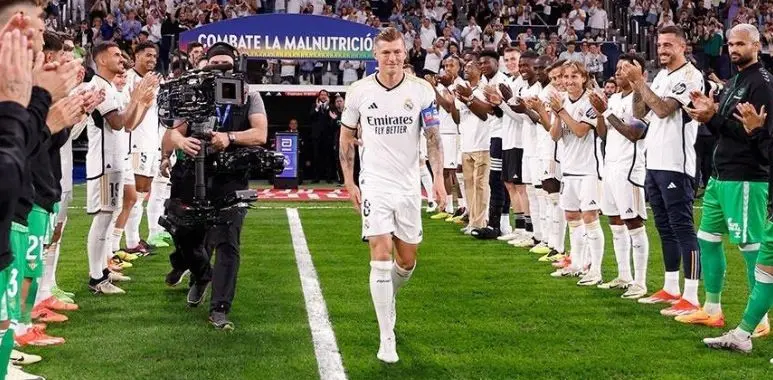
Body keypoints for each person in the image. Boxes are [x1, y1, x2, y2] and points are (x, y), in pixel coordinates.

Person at [338, 27, 446, 363]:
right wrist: (350, 181)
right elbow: (345, 139)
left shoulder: (422, 90)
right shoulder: (359, 92)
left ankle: (387, 296)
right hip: (376, 183)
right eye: (386, 53)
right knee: (380, 252)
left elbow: (433, 138)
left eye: (398, 52)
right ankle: (387, 336)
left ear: (405, 53)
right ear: (375, 56)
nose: (393, 58)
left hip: (409, 185)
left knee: (407, 260)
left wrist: (438, 180)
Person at [162, 42, 268, 330]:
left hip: (231, 177)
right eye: (215, 64)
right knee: (185, 234)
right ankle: (200, 273)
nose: (221, 69)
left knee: (227, 241)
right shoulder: (192, 93)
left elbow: (260, 133)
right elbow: (173, 133)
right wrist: (182, 142)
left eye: (226, 64)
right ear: (205, 66)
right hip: (192, 174)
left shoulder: (249, 94)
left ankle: (219, 308)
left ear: (235, 66)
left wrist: (230, 137)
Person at [679, 24, 773, 337]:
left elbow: (757, 136)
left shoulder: (762, 84)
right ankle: (712, 308)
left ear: (757, 45)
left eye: (741, 44)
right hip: (721, 176)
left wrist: (713, 118)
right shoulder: (734, 80)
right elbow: (732, 125)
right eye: (730, 44)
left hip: (746, 177)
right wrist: (710, 111)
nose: (733, 49)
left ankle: (758, 320)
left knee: (752, 247)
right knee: (707, 239)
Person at [626, 25, 705, 316]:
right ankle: (671, 287)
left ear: (683, 47)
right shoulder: (660, 76)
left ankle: (692, 295)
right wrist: (638, 86)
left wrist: (641, 85)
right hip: (655, 162)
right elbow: (639, 114)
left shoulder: (690, 76)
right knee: (664, 227)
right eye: (660, 45)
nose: (662, 50)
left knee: (683, 227)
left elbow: (662, 109)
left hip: (676, 164)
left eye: (669, 45)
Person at [84, 41, 156, 295]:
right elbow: (116, 123)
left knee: (108, 217)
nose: (120, 59)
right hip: (104, 163)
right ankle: (96, 278)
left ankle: (103, 270)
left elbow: (128, 125)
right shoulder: (97, 86)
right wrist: (137, 97)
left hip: (113, 161)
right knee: (103, 220)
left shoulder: (109, 87)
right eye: (115, 55)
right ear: (101, 60)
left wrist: (143, 103)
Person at [590, 54, 651, 299]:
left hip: (629, 168)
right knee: (615, 223)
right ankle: (623, 275)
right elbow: (603, 134)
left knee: (633, 223)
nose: (619, 71)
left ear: (640, 73)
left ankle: (641, 281)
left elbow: (635, 134)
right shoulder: (614, 97)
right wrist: (599, 113)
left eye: (626, 68)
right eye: (618, 67)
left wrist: (608, 113)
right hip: (610, 166)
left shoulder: (641, 98)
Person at [119, 41, 161, 254]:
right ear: (135, 55)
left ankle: (134, 238)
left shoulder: (154, 81)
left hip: (151, 143)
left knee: (143, 190)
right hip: (135, 143)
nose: (152, 59)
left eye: (154, 56)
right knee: (133, 193)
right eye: (148, 55)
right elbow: (126, 111)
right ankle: (130, 242)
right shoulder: (128, 79)